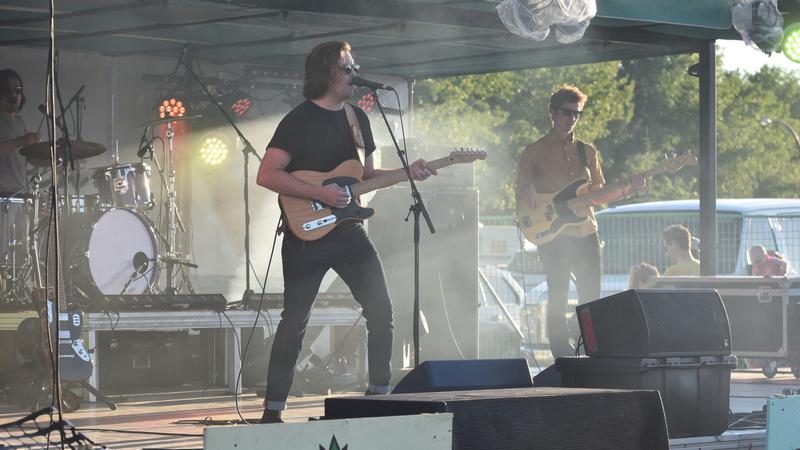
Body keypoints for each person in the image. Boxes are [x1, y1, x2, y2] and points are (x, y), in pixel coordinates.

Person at [255, 41, 436, 423]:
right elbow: (267, 174)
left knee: (381, 312)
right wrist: (319, 193)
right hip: (304, 236)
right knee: (294, 321)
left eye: (356, 67)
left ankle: (379, 396)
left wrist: (408, 172)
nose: (355, 73)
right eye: (348, 67)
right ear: (328, 73)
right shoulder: (299, 120)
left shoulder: (358, 119)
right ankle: (273, 410)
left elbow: (365, 176)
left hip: (349, 232)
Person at [515, 84, 645, 357]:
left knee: (592, 297)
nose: (572, 118)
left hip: (585, 231)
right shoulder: (533, 152)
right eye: (566, 112)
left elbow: (599, 194)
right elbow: (522, 191)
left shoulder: (588, 151)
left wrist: (629, 190)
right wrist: (527, 190)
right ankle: (561, 354)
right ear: (553, 113)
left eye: (577, 114)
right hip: (553, 235)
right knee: (558, 294)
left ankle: (590, 348)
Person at [0, 69, 39, 194]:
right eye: (7, 90)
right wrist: (22, 141)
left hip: (19, 192)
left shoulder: (20, 122)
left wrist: (52, 159)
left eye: (17, 90)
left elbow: (30, 159)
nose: (13, 94)